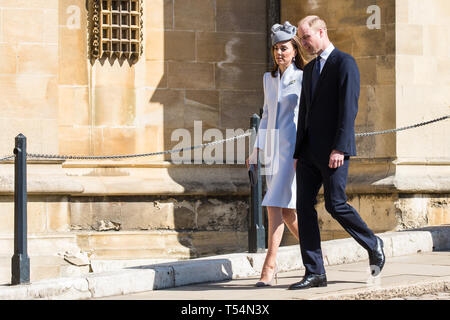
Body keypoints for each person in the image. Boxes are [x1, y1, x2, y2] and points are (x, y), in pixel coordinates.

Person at [289, 16, 385, 290]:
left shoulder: (345, 63)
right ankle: (315, 272)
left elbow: (348, 108)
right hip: (308, 153)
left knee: (335, 204)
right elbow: (304, 114)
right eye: (301, 39)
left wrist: (340, 147)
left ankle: (373, 242)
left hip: (334, 151)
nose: (303, 43)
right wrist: (297, 152)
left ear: (322, 32)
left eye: (306, 37)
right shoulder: (308, 70)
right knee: (303, 207)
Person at [247, 21, 306, 287]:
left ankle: (269, 267)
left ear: (294, 50)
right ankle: (315, 255)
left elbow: (307, 118)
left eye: (284, 48)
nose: (279, 53)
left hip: (292, 152)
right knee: (287, 213)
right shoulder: (267, 79)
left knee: (274, 206)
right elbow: (266, 114)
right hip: (271, 150)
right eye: (276, 49)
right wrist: (255, 149)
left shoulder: (304, 78)